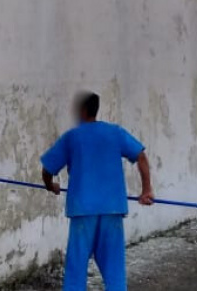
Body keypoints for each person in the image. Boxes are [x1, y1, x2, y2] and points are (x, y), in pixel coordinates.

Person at [40, 91, 154, 291]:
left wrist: (51, 186)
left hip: (83, 211)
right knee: (115, 271)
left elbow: (47, 170)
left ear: (82, 111)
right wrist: (147, 190)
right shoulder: (115, 133)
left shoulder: (72, 138)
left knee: (76, 271)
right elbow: (141, 157)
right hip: (112, 209)